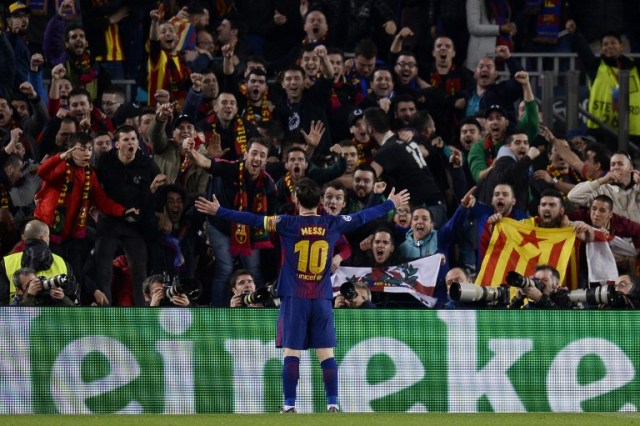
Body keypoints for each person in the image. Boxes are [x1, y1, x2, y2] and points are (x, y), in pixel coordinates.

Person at [195, 177, 410, 413]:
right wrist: (389, 204)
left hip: (294, 297)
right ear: (319, 201)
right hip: (321, 298)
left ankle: (289, 405)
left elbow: (252, 219)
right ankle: (333, 403)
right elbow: (362, 217)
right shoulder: (332, 223)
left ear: (296, 200)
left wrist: (220, 211)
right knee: (326, 354)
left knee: (291, 352)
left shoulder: (287, 223)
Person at [10, 267, 75, 306]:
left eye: (35, 282)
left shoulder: (47, 297)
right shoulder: (14, 306)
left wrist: (63, 298)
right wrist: (30, 296)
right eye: (30, 285)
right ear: (19, 290)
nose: (35, 286)